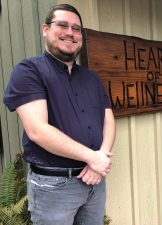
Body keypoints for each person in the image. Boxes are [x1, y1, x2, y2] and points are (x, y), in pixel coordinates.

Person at [3, 4, 115, 225]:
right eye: (62, 25)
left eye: (76, 29)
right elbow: (37, 130)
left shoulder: (92, 78)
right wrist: (92, 158)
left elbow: (108, 119)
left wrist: (100, 158)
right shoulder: (28, 71)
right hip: (54, 186)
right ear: (45, 29)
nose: (70, 33)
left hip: (94, 181)